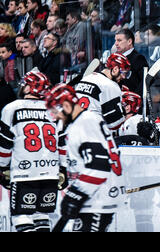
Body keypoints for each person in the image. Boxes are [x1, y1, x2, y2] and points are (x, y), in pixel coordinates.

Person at [44, 84, 126, 232]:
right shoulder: (87, 120)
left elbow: (99, 167)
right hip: (95, 196)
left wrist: (75, 195)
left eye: (56, 111)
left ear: (67, 106)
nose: (55, 117)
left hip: (99, 196)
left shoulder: (85, 122)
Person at [0, 71, 64, 232]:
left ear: (29, 88)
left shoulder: (12, 108)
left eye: (25, 84)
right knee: (42, 215)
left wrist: (2, 167)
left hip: (24, 173)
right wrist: (62, 169)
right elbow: (63, 144)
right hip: (50, 172)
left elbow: (5, 144)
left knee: (21, 216)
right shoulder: (55, 110)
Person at [73, 53, 129, 131]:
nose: (124, 77)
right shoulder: (111, 86)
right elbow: (113, 124)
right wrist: (123, 113)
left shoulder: (86, 78)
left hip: (75, 128)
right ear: (115, 69)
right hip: (93, 132)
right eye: (124, 73)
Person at [114, 28, 149, 98]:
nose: (116, 43)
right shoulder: (116, 59)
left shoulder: (138, 58)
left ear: (129, 41)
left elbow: (145, 81)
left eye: (119, 40)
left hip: (131, 104)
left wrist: (133, 98)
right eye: (115, 40)